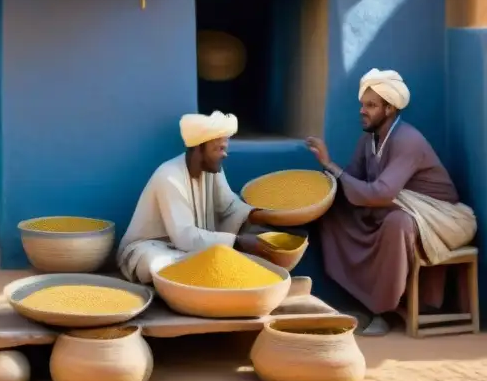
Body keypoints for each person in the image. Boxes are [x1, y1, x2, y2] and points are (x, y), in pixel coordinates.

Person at [306, 68, 475, 337]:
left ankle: (382, 311)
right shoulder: (369, 140)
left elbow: (381, 193)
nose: (363, 110)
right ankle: (365, 299)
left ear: (390, 109)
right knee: (334, 213)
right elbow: (351, 180)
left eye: (371, 106)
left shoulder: (408, 140)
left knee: (396, 223)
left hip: (442, 220)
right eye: (362, 104)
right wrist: (316, 187)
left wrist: (329, 164)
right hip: (396, 209)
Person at [117, 111, 279, 284]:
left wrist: (261, 216)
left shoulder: (213, 170)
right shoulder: (169, 176)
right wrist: (237, 242)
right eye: (219, 149)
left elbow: (229, 206)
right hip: (153, 246)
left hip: (189, 248)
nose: (225, 154)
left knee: (241, 244)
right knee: (156, 263)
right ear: (198, 150)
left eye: (225, 148)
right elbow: (184, 235)